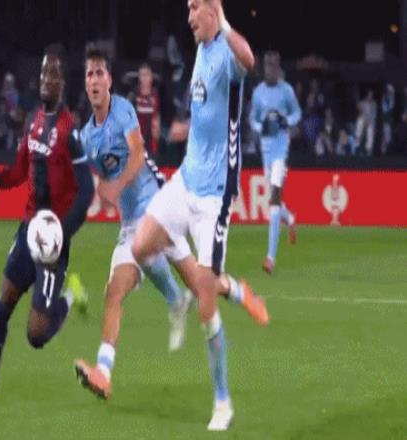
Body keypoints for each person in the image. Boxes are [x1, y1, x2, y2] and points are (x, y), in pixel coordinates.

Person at [131, 0, 269, 431]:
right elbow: (208, 114)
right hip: (186, 179)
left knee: (208, 308)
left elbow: (249, 59)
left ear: (213, 9)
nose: (189, 16)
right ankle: (188, 296)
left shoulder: (227, 51)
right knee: (141, 245)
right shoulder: (201, 51)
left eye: (195, 7)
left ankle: (223, 402)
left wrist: (224, 20)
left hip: (213, 196)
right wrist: (184, 130)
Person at [0, 45, 95, 406]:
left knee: (36, 335)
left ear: (63, 82)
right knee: (3, 303)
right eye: (43, 72)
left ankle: (70, 295)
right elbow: (21, 170)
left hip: (54, 243)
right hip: (28, 231)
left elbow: (87, 191)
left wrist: (62, 234)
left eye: (53, 74)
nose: (46, 79)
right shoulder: (33, 121)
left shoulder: (70, 131)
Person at [73, 48, 193, 400]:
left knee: (200, 279)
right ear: (86, 84)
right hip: (130, 224)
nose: (95, 80)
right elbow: (89, 180)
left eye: (100, 73)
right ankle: (103, 373)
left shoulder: (123, 110)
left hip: (157, 209)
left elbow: (137, 155)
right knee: (114, 292)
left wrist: (115, 186)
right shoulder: (87, 137)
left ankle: (224, 295)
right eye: (89, 74)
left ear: (109, 80)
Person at [249, 51, 301, 274]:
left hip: (281, 149)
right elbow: (252, 119)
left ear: (278, 68)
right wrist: (261, 126)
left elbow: (297, 113)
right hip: (266, 149)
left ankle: (270, 257)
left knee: (274, 200)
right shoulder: (258, 93)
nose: (271, 69)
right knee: (274, 200)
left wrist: (285, 120)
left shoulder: (286, 90)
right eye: (268, 66)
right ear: (264, 68)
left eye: (274, 66)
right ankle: (290, 217)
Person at [128, 63, 161, 160]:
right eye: (142, 75)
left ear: (151, 78)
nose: (145, 78)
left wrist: (157, 128)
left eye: (147, 75)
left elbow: (158, 116)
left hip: (152, 143)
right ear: (139, 78)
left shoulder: (156, 95)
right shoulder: (133, 95)